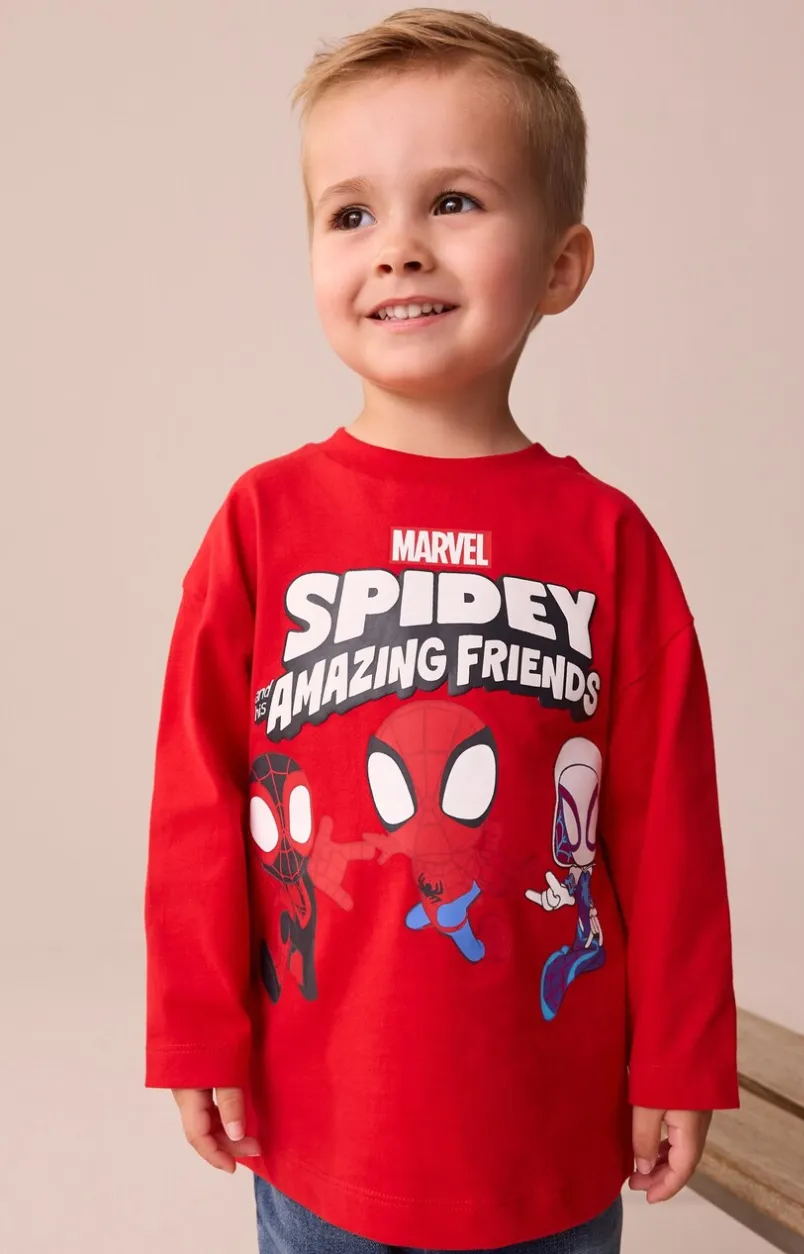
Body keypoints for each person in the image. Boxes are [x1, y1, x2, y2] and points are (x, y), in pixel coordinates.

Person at [143, 9, 739, 1253]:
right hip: (323, 1124)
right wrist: (195, 1027)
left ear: (562, 266)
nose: (399, 248)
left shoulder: (607, 542)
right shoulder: (263, 522)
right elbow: (197, 798)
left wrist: (682, 1054)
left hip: (545, 1133)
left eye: (454, 202)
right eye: (351, 214)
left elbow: (667, 825)